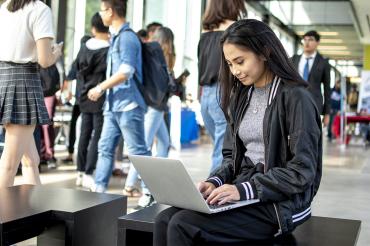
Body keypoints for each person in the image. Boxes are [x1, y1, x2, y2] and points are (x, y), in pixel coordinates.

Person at [154, 19, 322, 246]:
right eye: (230, 64)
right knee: (164, 219)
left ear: (264, 52)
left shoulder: (296, 98)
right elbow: (230, 156)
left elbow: (303, 171)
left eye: (240, 61)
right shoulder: (242, 96)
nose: (235, 71)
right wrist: (214, 181)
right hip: (246, 190)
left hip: (280, 203)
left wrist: (245, 189)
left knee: (183, 224)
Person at [88, 0, 150, 193]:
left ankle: (150, 193)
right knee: (105, 148)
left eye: (101, 11)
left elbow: (126, 71)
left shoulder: (127, 38)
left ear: (111, 11)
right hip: (113, 105)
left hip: (129, 105)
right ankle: (99, 191)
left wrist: (99, 88)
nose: (100, 15)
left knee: (138, 152)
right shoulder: (116, 37)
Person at [0, 0, 62, 187]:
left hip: (4, 78)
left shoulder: (6, 6)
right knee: (10, 164)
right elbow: (44, 60)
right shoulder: (40, 10)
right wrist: (56, 53)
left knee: (31, 160)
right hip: (23, 82)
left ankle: (35, 212)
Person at [123, 27, 174, 208]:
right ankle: (137, 186)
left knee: (164, 142)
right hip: (155, 105)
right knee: (143, 147)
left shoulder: (152, 53)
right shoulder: (155, 53)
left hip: (156, 105)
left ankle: (153, 180)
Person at [198, 0, 247, 173]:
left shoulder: (205, 32)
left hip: (206, 96)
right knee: (222, 150)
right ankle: (213, 195)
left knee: (219, 146)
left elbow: (201, 65)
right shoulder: (235, 28)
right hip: (224, 92)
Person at [74, 13, 110, 189]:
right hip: (99, 95)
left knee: (84, 133)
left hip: (83, 95)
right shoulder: (108, 48)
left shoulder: (84, 47)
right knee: (98, 135)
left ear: (93, 28)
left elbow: (76, 70)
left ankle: (80, 171)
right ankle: (89, 171)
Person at [291, 30, 331, 126]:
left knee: (311, 132)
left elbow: (327, 89)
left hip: (314, 104)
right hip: (294, 102)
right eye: (305, 40)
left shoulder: (323, 62)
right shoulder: (294, 59)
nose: (307, 42)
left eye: (311, 40)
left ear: (317, 42)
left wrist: (327, 113)